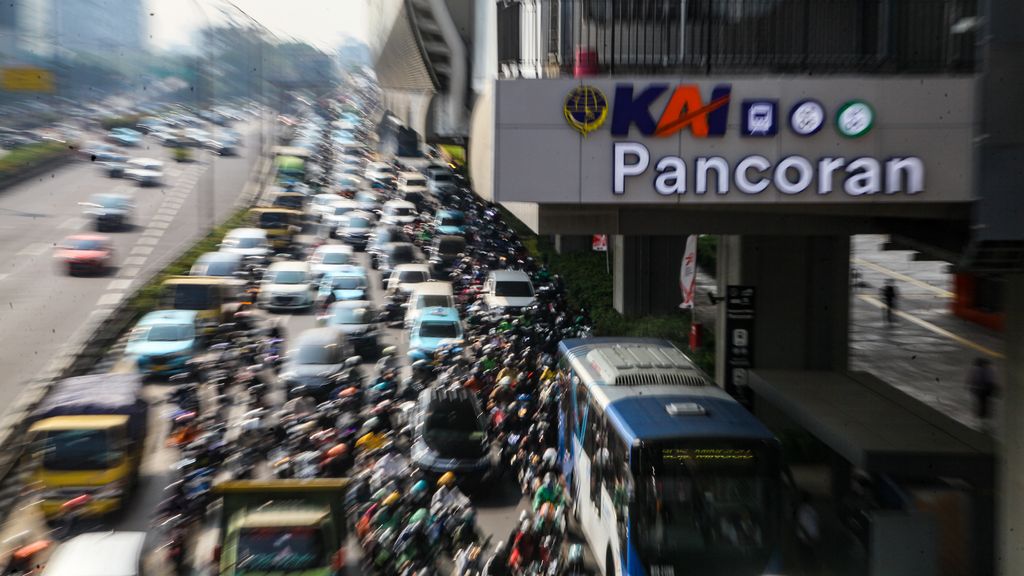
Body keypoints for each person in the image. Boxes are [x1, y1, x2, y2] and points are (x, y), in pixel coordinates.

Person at [968, 357, 998, 423]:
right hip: (985, 390)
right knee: (985, 402)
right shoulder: (988, 369)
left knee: (981, 402)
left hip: (981, 390)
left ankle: (981, 416)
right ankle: (984, 416)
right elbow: (990, 380)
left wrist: (973, 388)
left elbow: (973, 380)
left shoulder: (976, 369)